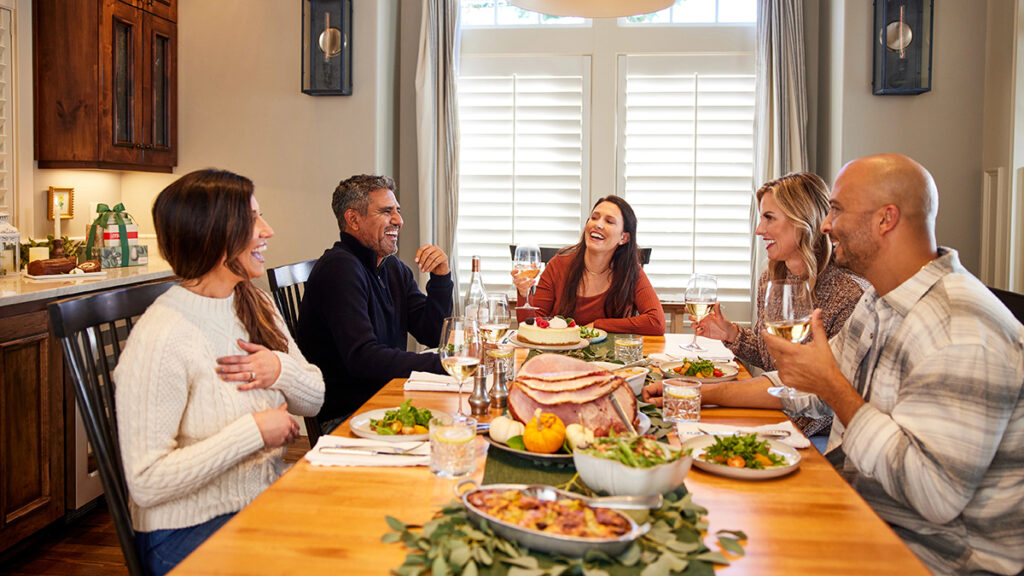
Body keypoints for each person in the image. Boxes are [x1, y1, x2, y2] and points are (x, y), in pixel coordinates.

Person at [690, 154, 1023, 574]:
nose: (826, 225)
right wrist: (701, 393)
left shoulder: (962, 330)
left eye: (837, 209)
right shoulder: (881, 300)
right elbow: (808, 386)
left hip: (932, 556)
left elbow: (934, 496)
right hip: (861, 506)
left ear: (886, 219)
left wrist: (832, 387)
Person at [113, 169, 325, 576]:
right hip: (185, 531)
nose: (268, 230)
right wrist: (253, 432)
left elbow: (314, 397)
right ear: (213, 234)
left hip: (260, 503)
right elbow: (145, 481)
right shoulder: (161, 337)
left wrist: (279, 368)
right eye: (253, 220)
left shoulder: (254, 304)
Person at [647, 173, 868, 437]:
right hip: (772, 411)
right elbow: (770, 359)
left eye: (769, 218)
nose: (759, 230)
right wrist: (732, 334)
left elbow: (825, 399)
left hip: (816, 438)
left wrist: (765, 429)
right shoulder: (771, 278)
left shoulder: (849, 292)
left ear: (802, 219)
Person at [296, 175, 453, 432]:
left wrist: (441, 277)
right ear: (353, 220)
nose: (399, 220)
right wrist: (446, 364)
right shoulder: (339, 268)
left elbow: (432, 333)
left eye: (398, 211)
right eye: (386, 211)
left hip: (385, 399)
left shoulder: (392, 268)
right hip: (348, 414)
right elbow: (363, 358)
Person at [512, 196, 665, 335]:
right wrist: (524, 293)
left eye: (609, 221)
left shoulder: (631, 271)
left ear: (623, 238)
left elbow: (656, 322)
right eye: (594, 217)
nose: (598, 224)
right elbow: (528, 326)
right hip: (560, 357)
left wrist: (598, 325)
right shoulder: (559, 265)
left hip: (609, 360)